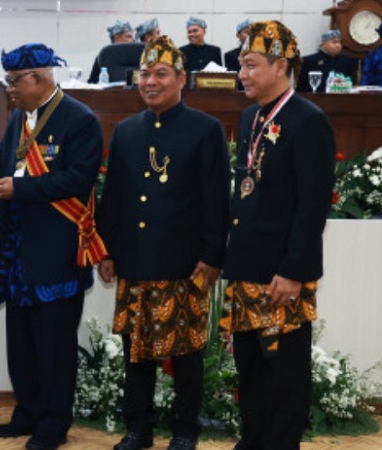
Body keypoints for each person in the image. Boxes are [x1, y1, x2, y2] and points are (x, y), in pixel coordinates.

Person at [0, 43, 106, 450]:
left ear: (39, 79)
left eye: (13, 82)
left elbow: (77, 180)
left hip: (56, 252)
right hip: (17, 252)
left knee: (54, 344)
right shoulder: (19, 118)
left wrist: (19, 187)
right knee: (23, 341)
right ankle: (27, 412)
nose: (8, 88)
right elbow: (5, 163)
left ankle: (53, 423)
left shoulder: (79, 120)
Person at [96, 35, 230, 450]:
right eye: (144, 74)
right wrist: (107, 249)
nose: (150, 81)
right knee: (136, 354)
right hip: (134, 261)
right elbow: (113, 195)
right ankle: (138, 429)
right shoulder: (127, 131)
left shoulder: (205, 130)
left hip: (184, 264)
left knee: (186, 356)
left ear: (181, 79)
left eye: (160, 74)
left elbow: (215, 200)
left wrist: (212, 257)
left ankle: (185, 431)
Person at [221, 20, 335, 450]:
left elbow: (312, 205)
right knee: (249, 369)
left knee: (284, 375)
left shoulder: (308, 121)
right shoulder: (251, 115)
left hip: (281, 277)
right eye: (241, 65)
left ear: (281, 65)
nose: (242, 74)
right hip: (247, 269)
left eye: (250, 65)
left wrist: (293, 270)